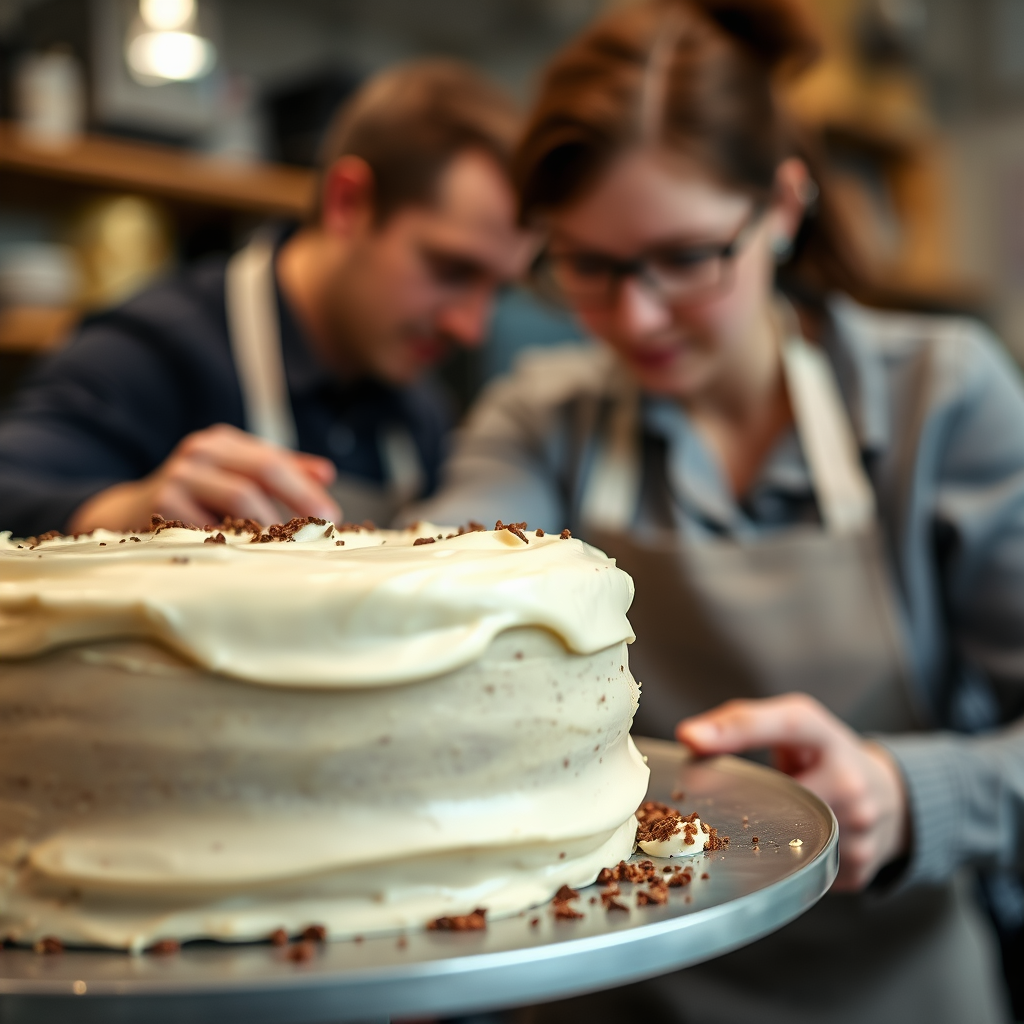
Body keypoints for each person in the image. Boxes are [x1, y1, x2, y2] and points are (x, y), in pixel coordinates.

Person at [407, 2, 1024, 1021]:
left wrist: (900, 791)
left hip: (893, 989)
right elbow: (444, 578)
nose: (636, 316)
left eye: (685, 257)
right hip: (609, 989)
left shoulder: (937, 400)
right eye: (590, 267)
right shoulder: (539, 419)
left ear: (783, 206)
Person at [0, 60, 534, 537]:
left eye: (499, 289)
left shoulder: (419, 412)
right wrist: (126, 511)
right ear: (348, 204)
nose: (471, 329)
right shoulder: (146, 355)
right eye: (451, 269)